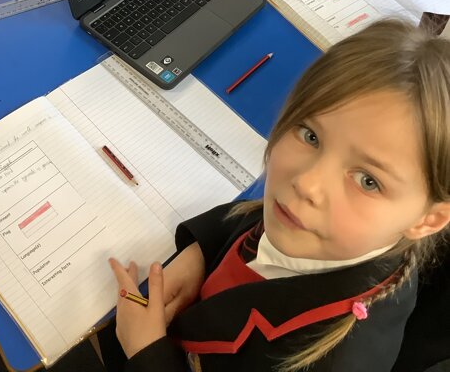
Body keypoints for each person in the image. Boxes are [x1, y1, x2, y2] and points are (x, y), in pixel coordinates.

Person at [99, 19, 450, 370]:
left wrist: (147, 353)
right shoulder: (322, 227)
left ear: (428, 219)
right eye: (311, 136)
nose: (307, 183)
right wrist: (200, 252)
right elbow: (250, 218)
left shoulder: (335, 360)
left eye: (368, 181)